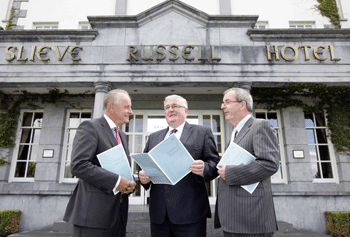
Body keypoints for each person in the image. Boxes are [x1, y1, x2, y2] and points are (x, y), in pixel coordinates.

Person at [139, 94, 220, 237]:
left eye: (175, 106)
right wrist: (143, 176)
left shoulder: (202, 133)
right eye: (167, 107)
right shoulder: (154, 137)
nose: (171, 110)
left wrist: (204, 169)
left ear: (186, 110)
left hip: (191, 213)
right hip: (159, 215)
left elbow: (214, 164)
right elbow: (145, 165)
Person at [63, 89, 136, 237]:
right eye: (127, 107)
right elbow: (79, 165)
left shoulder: (121, 134)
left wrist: (129, 183)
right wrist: (117, 182)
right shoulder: (90, 127)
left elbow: (117, 168)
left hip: (118, 216)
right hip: (93, 216)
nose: (131, 111)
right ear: (111, 106)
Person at [215, 87, 280, 237]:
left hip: (251, 219)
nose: (222, 106)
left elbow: (269, 164)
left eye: (227, 102)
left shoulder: (260, 126)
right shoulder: (235, 133)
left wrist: (230, 172)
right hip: (232, 219)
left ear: (242, 104)